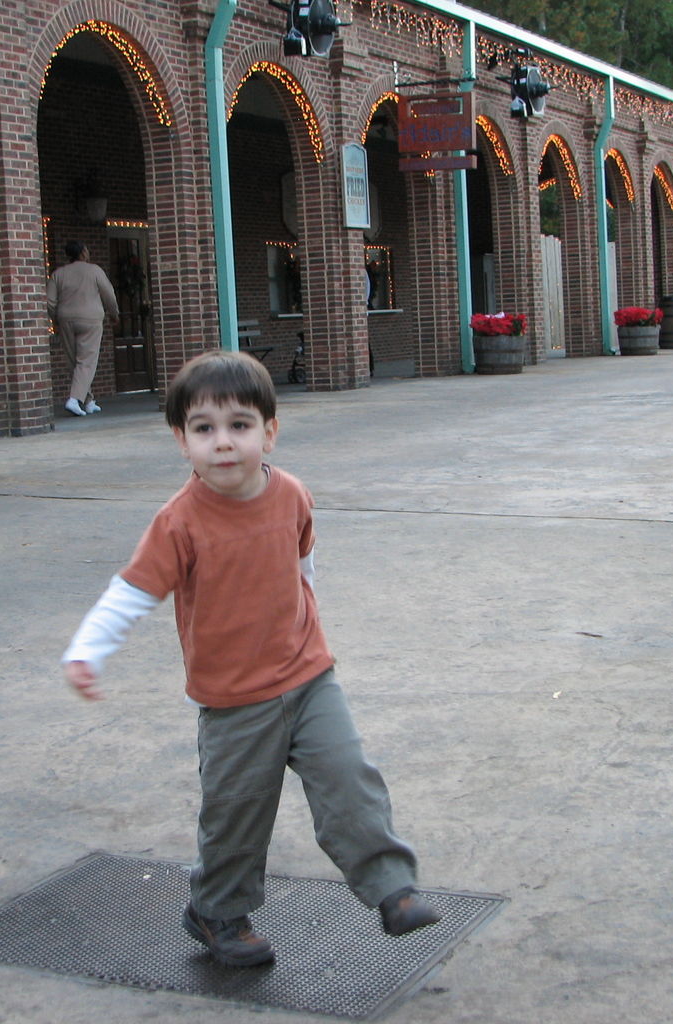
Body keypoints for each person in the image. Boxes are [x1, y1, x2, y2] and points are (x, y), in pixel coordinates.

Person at [61, 351, 440, 968]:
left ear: (270, 431)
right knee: (236, 816)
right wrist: (87, 651)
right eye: (204, 429)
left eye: (240, 425)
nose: (224, 442)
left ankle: (392, 890)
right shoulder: (178, 523)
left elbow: (301, 562)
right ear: (181, 442)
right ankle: (217, 912)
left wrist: (305, 621)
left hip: (310, 677)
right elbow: (132, 593)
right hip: (234, 700)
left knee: (350, 779)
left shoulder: (291, 493)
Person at [47, 241, 119, 416]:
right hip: (91, 319)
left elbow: (49, 301)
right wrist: (114, 314)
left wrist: (56, 317)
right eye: (87, 250)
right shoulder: (94, 271)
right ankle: (74, 400)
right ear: (83, 254)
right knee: (86, 361)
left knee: (74, 361)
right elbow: (109, 294)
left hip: (65, 319)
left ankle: (88, 401)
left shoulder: (58, 274)